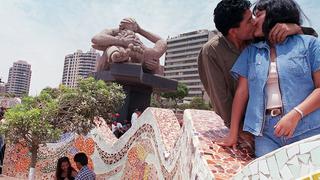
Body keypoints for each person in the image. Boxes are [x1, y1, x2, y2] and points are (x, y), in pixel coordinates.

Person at [198, 0, 316, 149]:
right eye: (249, 20)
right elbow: (222, 96)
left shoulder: (259, 37)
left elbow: (307, 41)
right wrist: (237, 130)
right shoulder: (213, 51)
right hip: (255, 126)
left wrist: (294, 27)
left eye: (255, 16)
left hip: (297, 121)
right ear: (234, 31)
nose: (254, 21)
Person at [92, 18, 167, 74]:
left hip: (138, 60)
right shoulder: (115, 34)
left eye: (133, 28)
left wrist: (140, 30)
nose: (131, 30)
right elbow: (96, 39)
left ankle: (150, 64)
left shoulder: (137, 41)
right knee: (112, 49)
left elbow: (162, 42)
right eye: (128, 26)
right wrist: (122, 40)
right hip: (116, 56)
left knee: (151, 56)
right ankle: (117, 56)